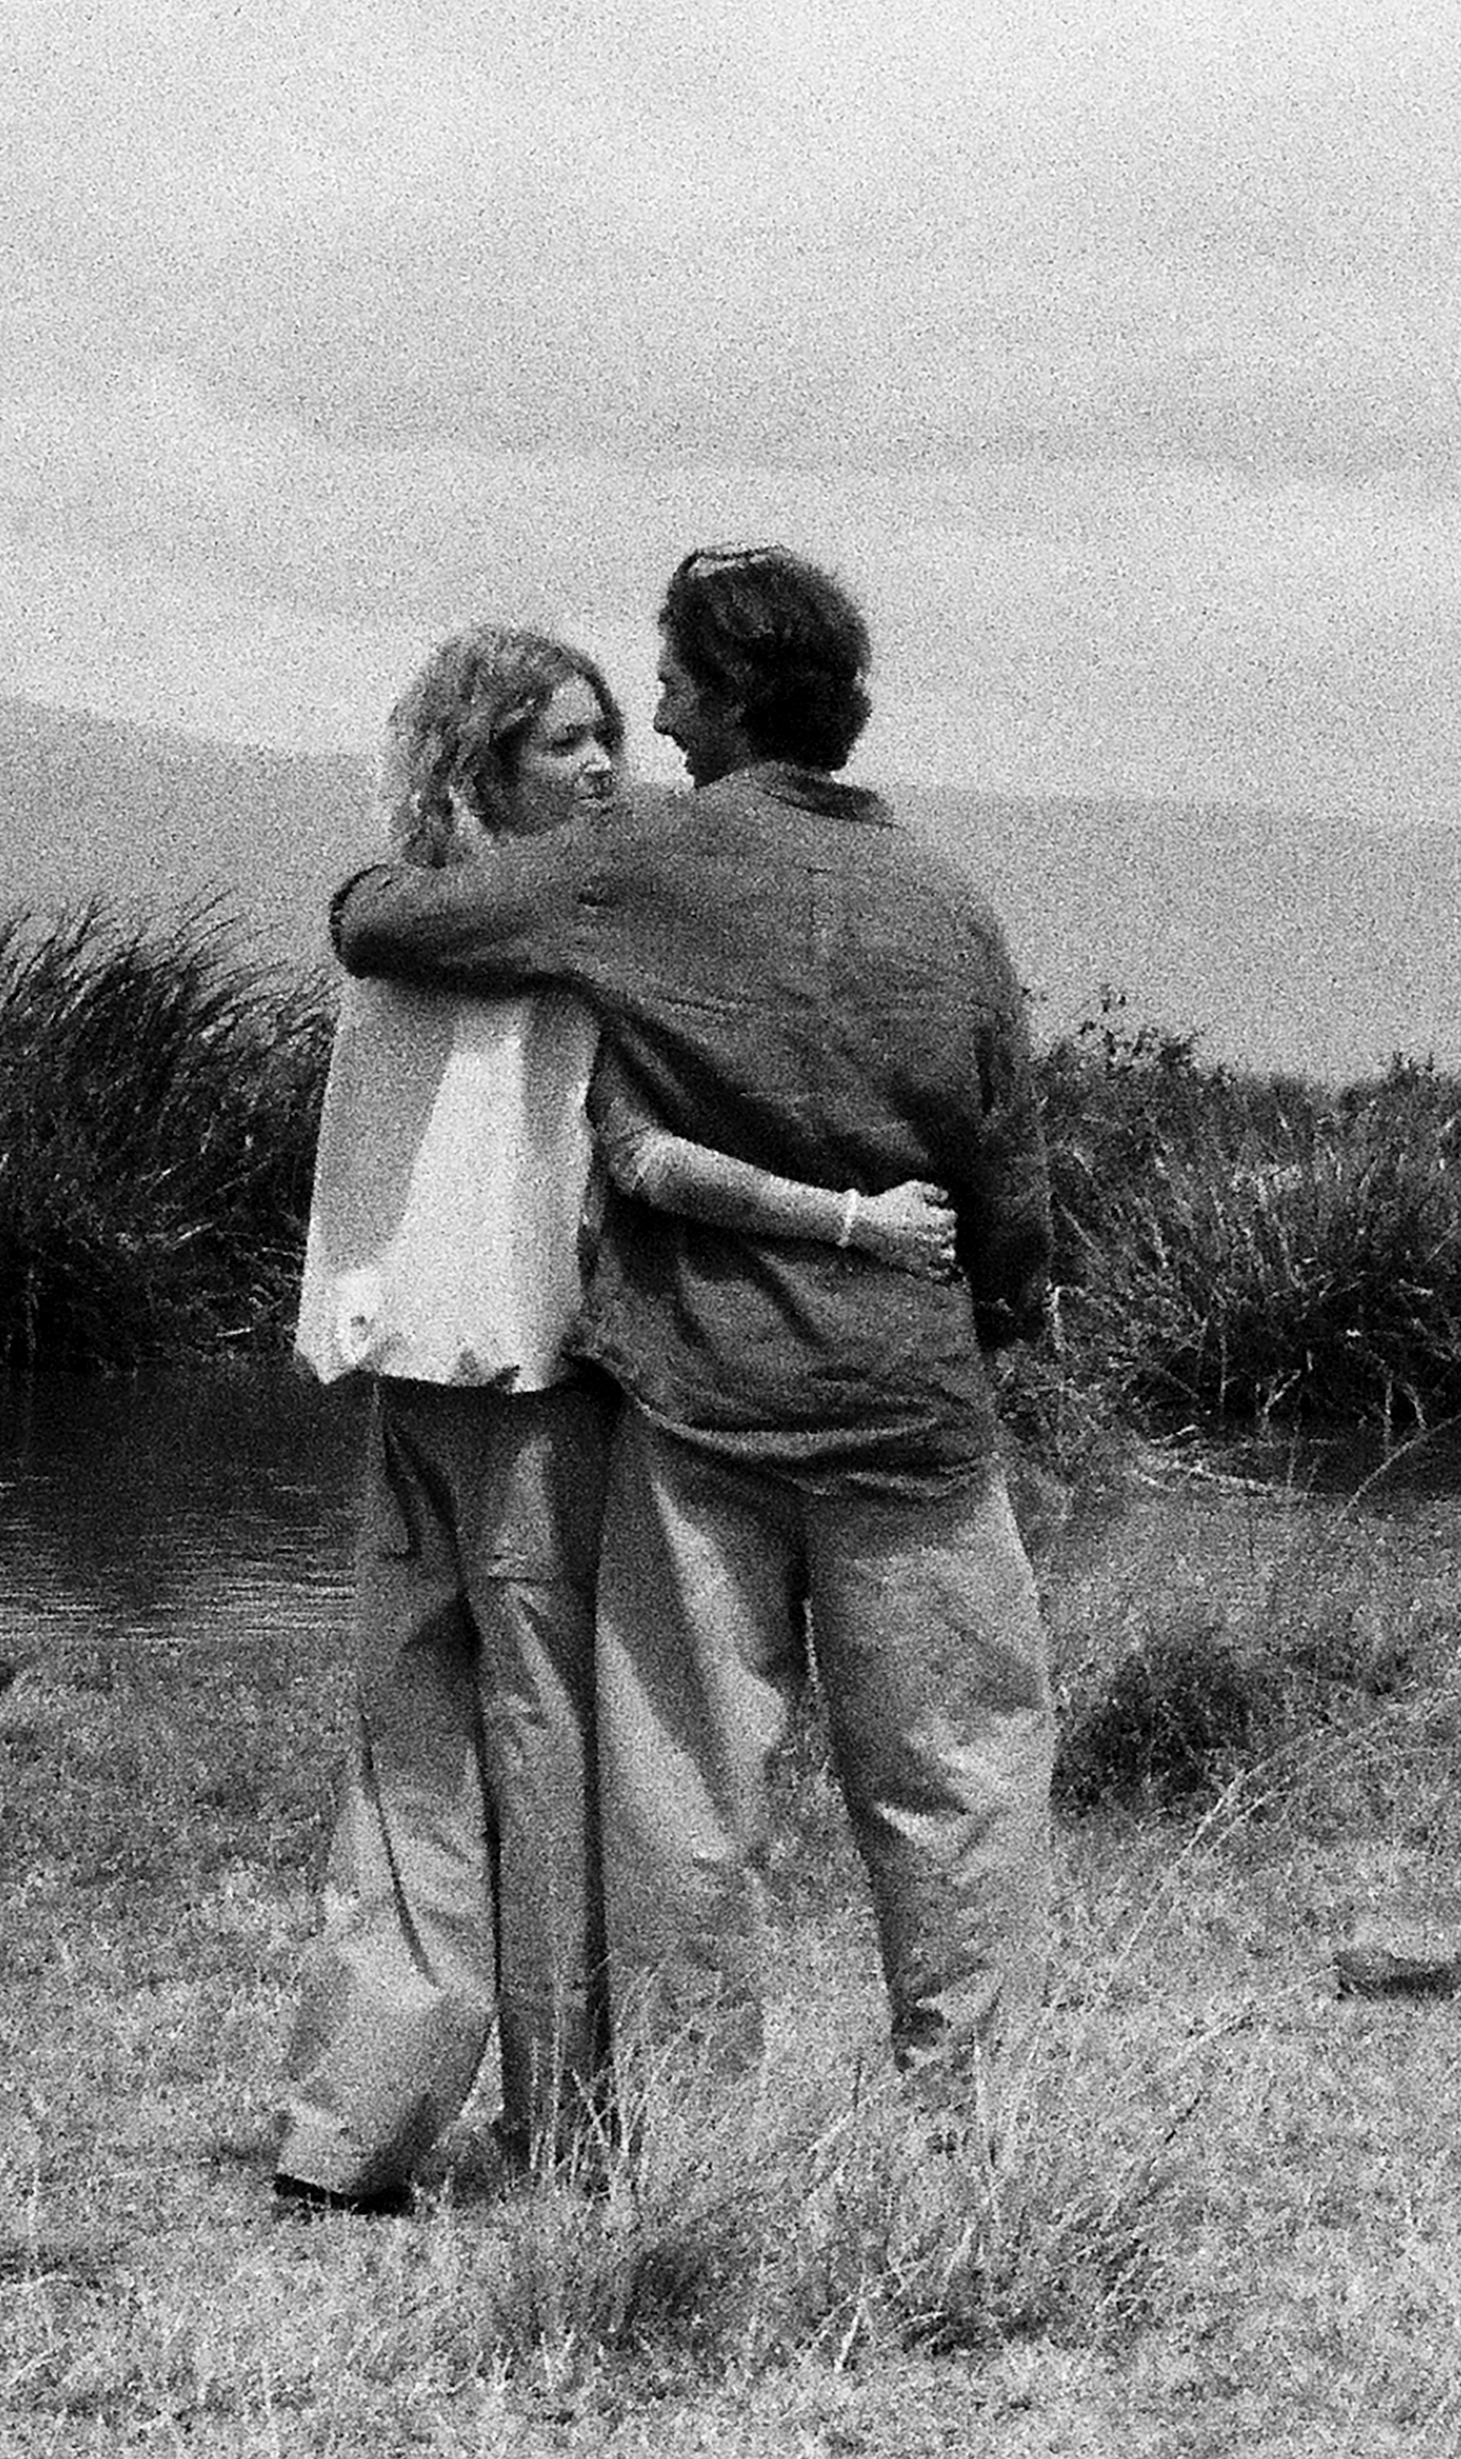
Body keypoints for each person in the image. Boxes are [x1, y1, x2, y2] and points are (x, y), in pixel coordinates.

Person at [327, 544, 1063, 2094]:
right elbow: (1006, 1166)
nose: (651, 722)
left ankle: (693, 2144)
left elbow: (389, 931)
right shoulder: (946, 896)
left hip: (706, 1407)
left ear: (727, 699)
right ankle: (973, 2124)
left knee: (682, 1799)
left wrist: (382, 870)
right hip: (911, 1403)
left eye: (666, 685)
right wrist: (987, 1310)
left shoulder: (640, 865)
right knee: (957, 1779)